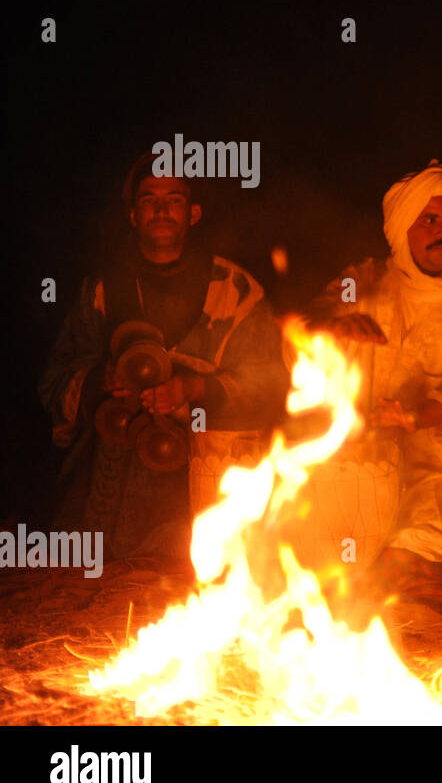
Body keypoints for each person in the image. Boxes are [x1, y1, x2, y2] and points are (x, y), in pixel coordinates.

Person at [40, 154, 287, 562]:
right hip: (110, 486)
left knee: (200, 572)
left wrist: (196, 388)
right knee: (86, 572)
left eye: (173, 199)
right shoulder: (100, 291)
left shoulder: (235, 290)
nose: (160, 209)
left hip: (207, 473)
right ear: (134, 214)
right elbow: (53, 381)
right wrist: (100, 381)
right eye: (149, 199)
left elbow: (271, 381)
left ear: (193, 213)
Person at [307, 160, 442, 583]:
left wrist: (414, 418)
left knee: (416, 542)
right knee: (301, 533)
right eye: (430, 219)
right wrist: (331, 329)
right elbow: (304, 330)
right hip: (354, 466)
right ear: (402, 228)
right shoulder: (361, 282)